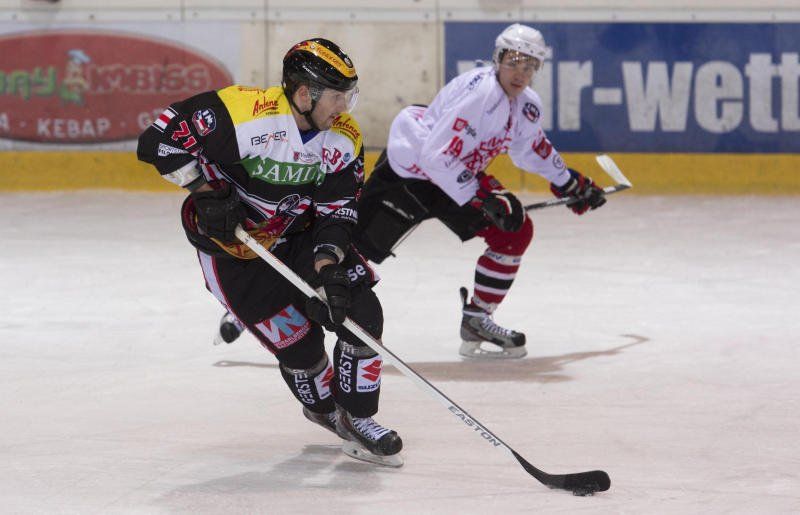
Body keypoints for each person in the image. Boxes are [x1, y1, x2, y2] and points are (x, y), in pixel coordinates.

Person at [136, 38, 402, 466]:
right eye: (337, 96)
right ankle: (323, 410)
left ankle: (358, 416)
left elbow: (336, 212)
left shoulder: (345, 138)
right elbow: (157, 141)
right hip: (235, 253)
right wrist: (203, 191)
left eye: (348, 95)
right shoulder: (242, 115)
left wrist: (328, 267)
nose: (344, 107)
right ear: (304, 94)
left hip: (299, 237)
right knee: (301, 350)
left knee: (361, 315)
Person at [353, 24, 607, 359]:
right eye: (514, 61)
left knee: (514, 232)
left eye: (530, 65)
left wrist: (568, 181)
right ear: (498, 59)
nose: (521, 72)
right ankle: (300, 298)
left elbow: (531, 148)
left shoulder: (526, 104)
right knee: (351, 248)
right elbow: (434, 156)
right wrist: (482, 196)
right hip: (410, 177)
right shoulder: (479, 96)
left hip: (453, 178)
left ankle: (477, 319)